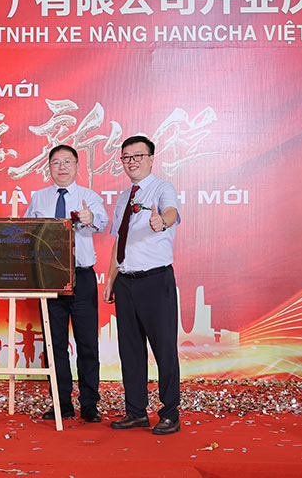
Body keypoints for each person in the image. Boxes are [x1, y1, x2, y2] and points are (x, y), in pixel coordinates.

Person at [25, 144, 109, 423]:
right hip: (49, 278)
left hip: (81, 277)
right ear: (49, 167)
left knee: (87, 343)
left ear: (76, 166)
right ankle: (61, 403)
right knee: (54, 344)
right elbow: (26, 232)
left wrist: (90, 218)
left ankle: (89, 404)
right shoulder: (38, 197)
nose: (62, 167)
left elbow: (103, 222)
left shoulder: (89, 197)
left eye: (67, 162)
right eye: (56, 162)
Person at [103, 135, 181, 435]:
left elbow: (171, 212)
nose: (132, 162)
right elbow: (118, 241)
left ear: (151, 159)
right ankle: (135, 412)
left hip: (154, 280)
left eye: (138, 156)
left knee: (164, 348)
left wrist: (163, 222)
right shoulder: (124, 197)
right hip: (126, 282)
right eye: (126, 157)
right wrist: (111, 279)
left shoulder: (162, 188)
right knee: (130, 350)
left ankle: (170, 413)